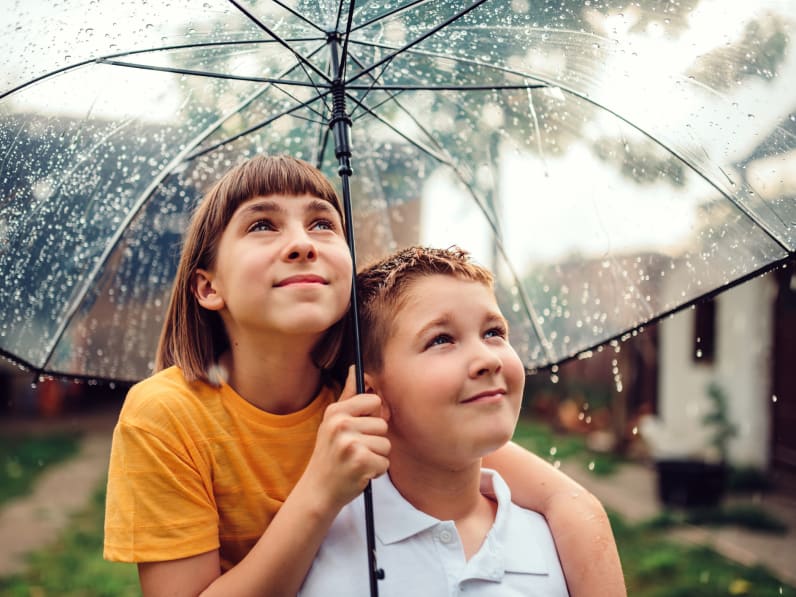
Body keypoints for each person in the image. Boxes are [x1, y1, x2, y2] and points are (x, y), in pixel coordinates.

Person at [103, 154, 625, 596]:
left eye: (322, 223)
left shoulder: (373, 395)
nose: (301, 243)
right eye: (263, 224)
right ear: (207, 287)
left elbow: (568, 500)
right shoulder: (165, 415)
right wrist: (321, 490)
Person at [300, 246, 570, 595]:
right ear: (371, 393)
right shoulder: (314, 558)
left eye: (494, 332)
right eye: (441, 339)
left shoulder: (556, 546)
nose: (487, 359)